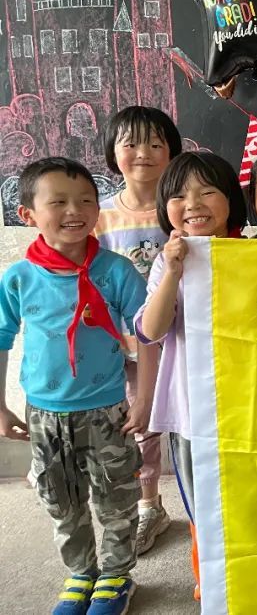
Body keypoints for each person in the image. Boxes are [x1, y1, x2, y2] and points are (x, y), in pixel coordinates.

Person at [0, 157, 147, 615]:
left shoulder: (117, 271)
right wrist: (0, 406)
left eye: (86, 200)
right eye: (59, 202)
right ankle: (81, 573)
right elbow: (1, 338)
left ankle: (117, 576)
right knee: (60, 500)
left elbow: (148, 337)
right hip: (44, 414)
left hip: (108, 411)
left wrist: (145, 399)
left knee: (116, 497)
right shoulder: (18, 278)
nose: (75, 211)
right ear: (27, 214)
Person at [132, 152, 249, 600]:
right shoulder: (170, 261)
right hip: (193, 413)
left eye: (207, 192)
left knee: (250, 503)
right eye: (179, 195)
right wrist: (173, 273)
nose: (193, 203)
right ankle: (213, 587)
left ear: (231, 200)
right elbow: (150, 330)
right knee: (206, 510)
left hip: (248, 409)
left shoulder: (255, 252)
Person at [97, 106, 183, 556]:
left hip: (180, 338)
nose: (143, 152)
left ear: (171, 151)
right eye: (130, 143)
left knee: (186, 424)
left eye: (154, 143)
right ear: (113, 153)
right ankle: (149, 504)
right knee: (140, 425)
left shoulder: (180, 209)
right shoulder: (100, 216)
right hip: (126, 345)